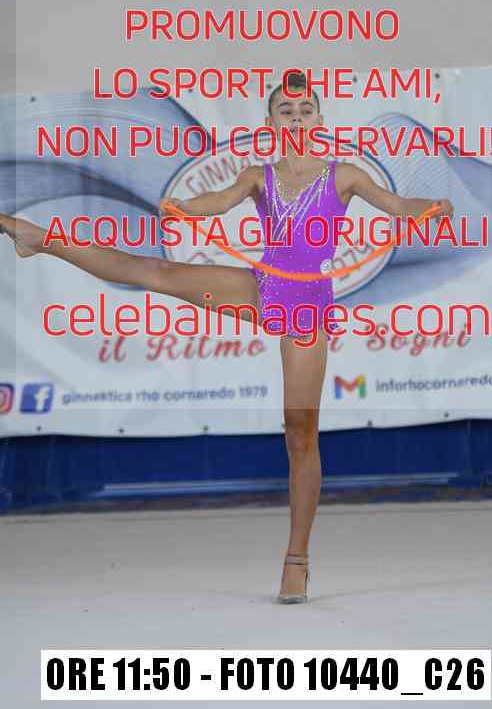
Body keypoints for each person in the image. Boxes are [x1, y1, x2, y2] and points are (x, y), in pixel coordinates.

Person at [0, 70, 453, 604]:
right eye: (286, 111)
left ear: (319, 120)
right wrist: (183, 209)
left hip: (307, 306)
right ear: (270, 123)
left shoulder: (345, 175)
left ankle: (297, 559)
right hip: (263, 287)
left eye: (306, 110)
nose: (297, 119)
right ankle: (40, 238)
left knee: (300, 433)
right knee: (154, 272)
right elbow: (216, 200)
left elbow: (396, 205)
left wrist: (429, 208)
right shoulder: (259, 176)